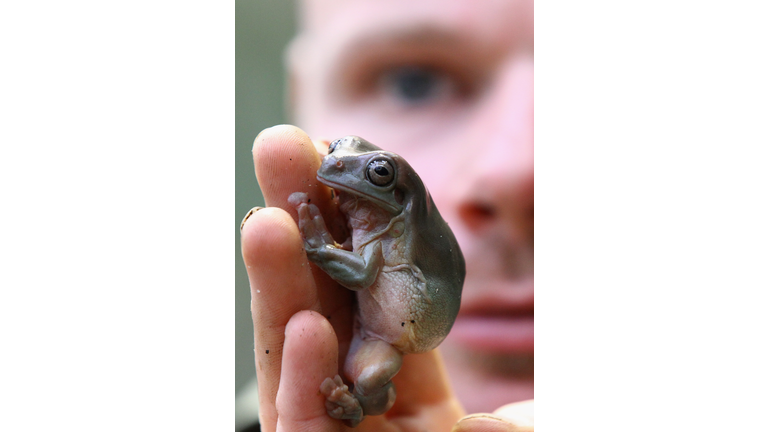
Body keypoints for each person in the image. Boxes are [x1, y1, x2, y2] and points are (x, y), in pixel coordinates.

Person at [240, 0, 533, 430]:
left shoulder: (392, 233)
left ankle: (361, 401)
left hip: (391, 335)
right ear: (299, 96)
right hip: (376, 329)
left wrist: (321, 247)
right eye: (412, 82)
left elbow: (360, 274)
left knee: (374, 374)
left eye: (376, 173)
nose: (510, 174)